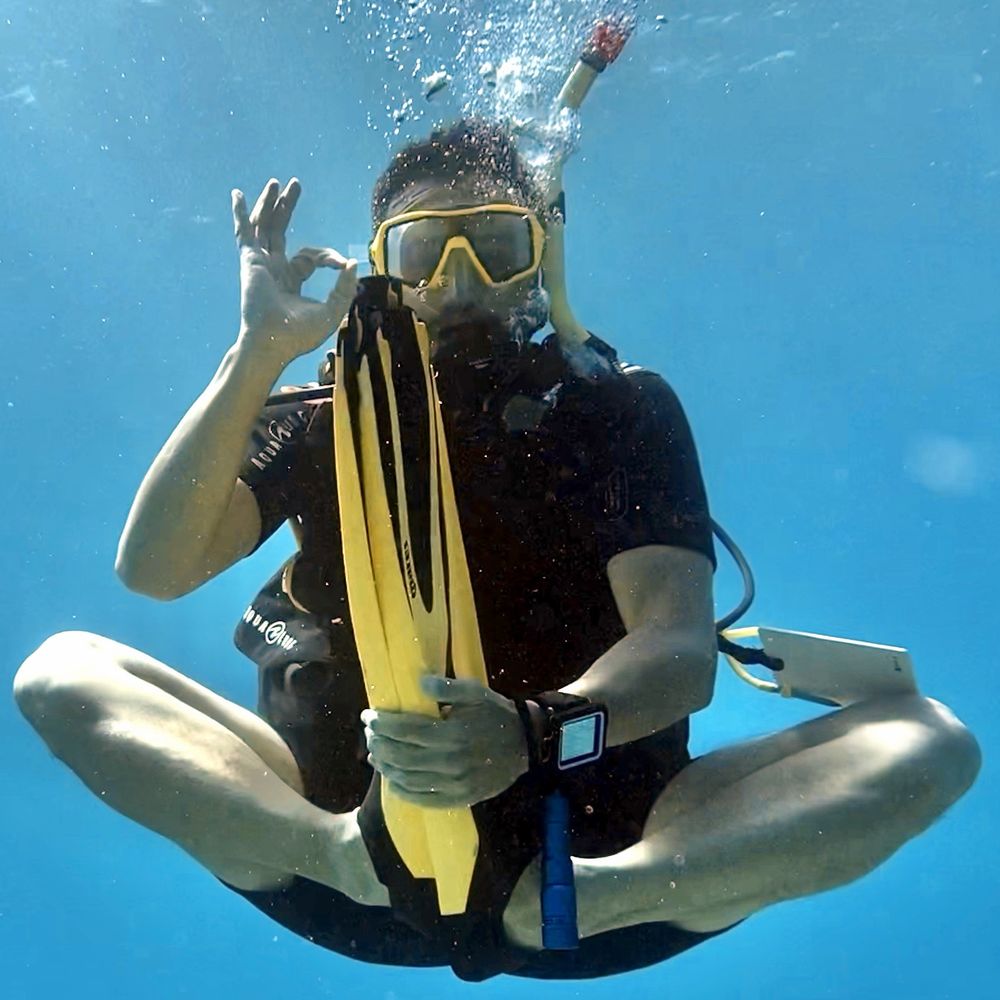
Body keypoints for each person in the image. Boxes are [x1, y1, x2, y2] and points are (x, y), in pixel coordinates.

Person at [14, 120, 981, 983]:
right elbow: (153, 569)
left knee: (928, 740)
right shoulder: (321, 419)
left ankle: (594, 895)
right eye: (428, 252)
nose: (462, 282)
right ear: (382, 269)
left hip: (594, 863)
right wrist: (254, 354)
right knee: (63, 672)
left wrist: (530, 733)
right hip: (351, 855)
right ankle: (335, 850)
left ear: (539, 260)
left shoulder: (614, 407)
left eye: (497, 246)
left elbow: (679, 652)